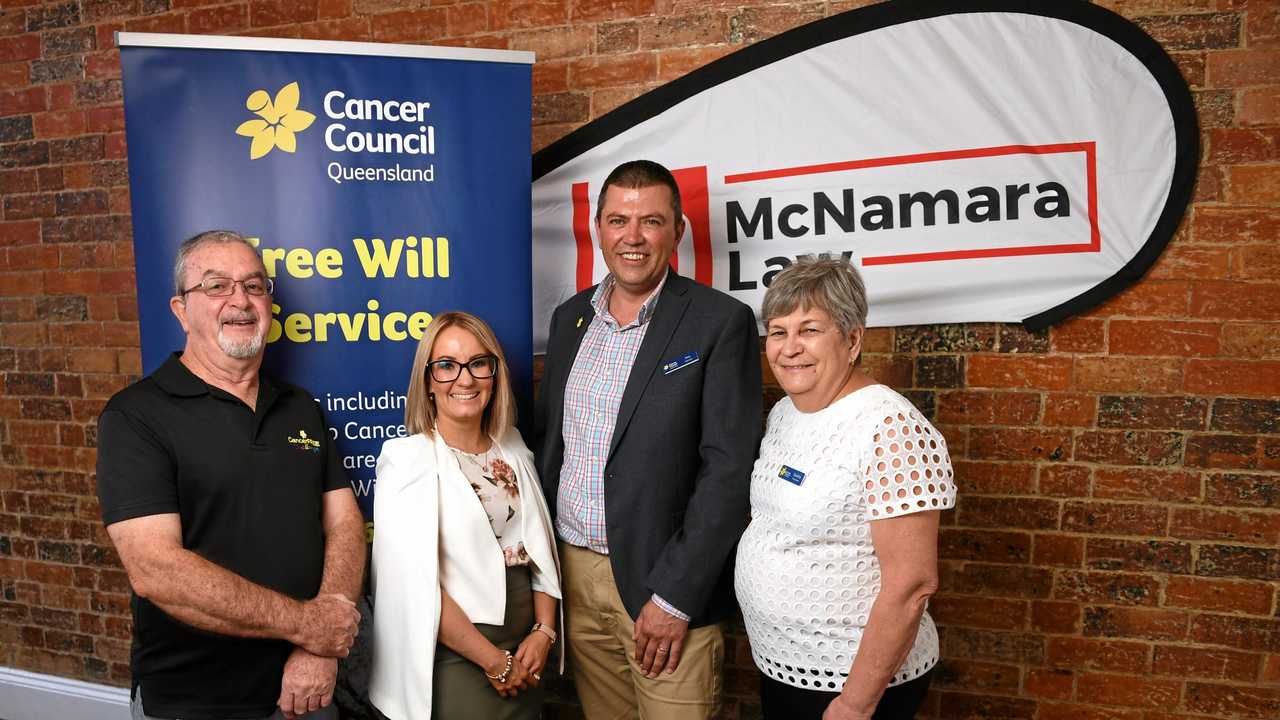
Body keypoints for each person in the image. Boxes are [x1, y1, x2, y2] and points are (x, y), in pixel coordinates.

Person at [96, 230, 366, 720]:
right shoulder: (135, 416)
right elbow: (156, 569)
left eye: (255, 286)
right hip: (194, 700)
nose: (239, 301)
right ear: (181, 309)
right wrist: (308, 625)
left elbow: (345, 523)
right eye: (216, 286)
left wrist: (319, 648)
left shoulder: (300, 408)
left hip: (307, 689)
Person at [534, 159, 762, 719]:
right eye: (618, 220)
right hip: (575, 576)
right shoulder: (570, 320)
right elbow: (552, 445)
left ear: (677, 231)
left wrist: (675, 595)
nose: (632, 238)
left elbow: (729, 473)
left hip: (664, 582)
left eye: (651, 221)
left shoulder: (719, 322)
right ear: (598, 227)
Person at [735, 257, 955, 720]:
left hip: (851, 684)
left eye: (809, 330)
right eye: (778, 331)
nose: (790, 348)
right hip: (787, 667)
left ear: (852, 339)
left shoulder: (889, 428)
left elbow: (913, 583)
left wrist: (856, 704)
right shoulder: (786, 413)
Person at [369, 311, 562, 720]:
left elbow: (538, 546)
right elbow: (414, 587)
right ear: (428, 381)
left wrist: (544, 631)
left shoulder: (511, 446)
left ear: (495, 373)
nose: (465, 379)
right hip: (458, 651)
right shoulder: (406, 460)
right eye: (446, 366)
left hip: (527, 642)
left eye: (478, 363)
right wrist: (493, 661)